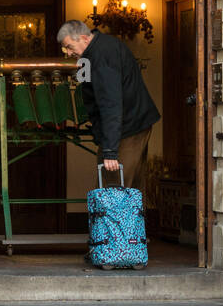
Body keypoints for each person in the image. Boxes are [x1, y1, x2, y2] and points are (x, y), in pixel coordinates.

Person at [57, 19, 160, 191]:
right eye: (64, 48)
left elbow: (110, 103)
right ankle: (128, 218)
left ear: (83, 38)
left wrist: (110, 151)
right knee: (128, 188)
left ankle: (115, 219)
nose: (67, 53)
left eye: (69, 47)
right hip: (128, 126)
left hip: (128, 128)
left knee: (113, 189)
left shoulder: (103, 54)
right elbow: (90, 92)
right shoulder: (93, 52)